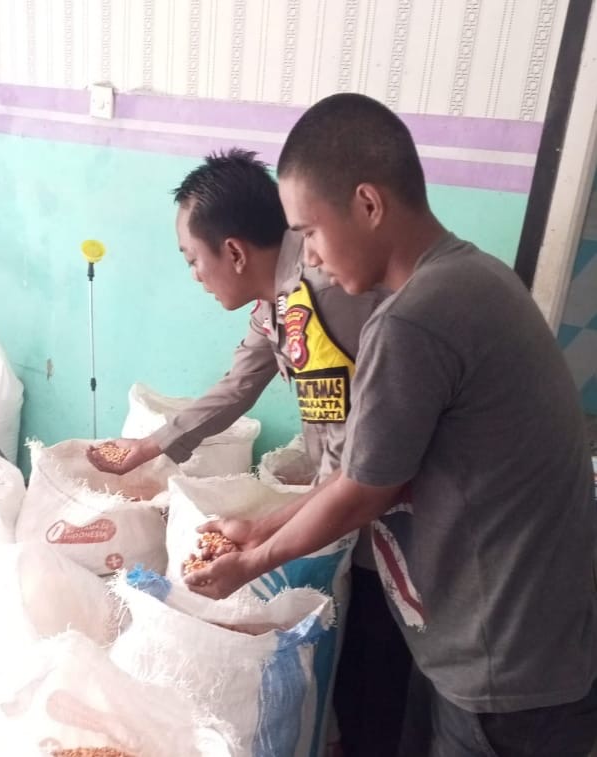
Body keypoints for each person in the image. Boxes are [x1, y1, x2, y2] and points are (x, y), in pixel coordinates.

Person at [182, 94, 597, 757]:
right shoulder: (476, 278)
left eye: (310, 232)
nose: (310, 258)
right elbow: (367, 467)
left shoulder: (413, 320)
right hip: (522, 638)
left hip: (504, 662)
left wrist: (252, 562)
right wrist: (260, 528)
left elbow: (364, 492)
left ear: (369, 205)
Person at [87, 148, 412, 756]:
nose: (195, 276)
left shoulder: (314, 296)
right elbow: (238, 385)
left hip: (392, 494)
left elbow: (357, 468)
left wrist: (258, 548)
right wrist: (149, 447)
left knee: (383, 658)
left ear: (234, 251)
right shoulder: (276, 300)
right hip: (358, 484)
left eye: (193, 260)